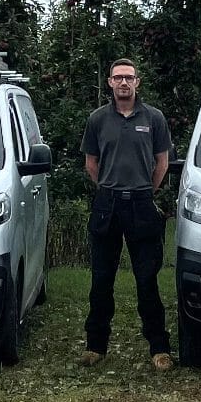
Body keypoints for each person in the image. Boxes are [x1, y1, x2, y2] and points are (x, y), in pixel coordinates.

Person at [79, 59, 175, 370]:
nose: (124, 82)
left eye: (129, 78)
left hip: (141, 204)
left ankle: (159, 348)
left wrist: (147, 190)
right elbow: (91, 165)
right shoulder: (97, 120)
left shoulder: (154, 118)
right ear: (109, 82)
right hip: (107, 206)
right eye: (118, 77)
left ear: (137, 83)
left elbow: (162, 162)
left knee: (147, 279)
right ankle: (96, 346)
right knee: (101, 279)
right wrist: (108, 188)